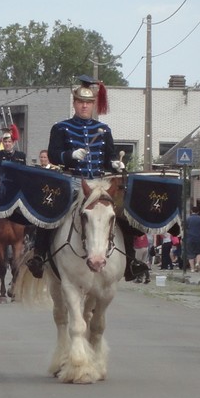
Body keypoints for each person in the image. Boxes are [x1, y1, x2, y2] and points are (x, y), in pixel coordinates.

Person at [26, 75, 147, 280]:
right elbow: (54, 155)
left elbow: (109, 157)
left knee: (122, 215)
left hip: (100, 182)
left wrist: (115, 164)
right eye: (81, 102)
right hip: (73, 181)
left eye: (88, 103)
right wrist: (70, 156)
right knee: (50, 211)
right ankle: (40, 255)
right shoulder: (61, 128)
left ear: (93, 105)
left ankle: (130, 260)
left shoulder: (104, 130)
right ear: (74, 103)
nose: (84, 106)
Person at [184, 206, 200, 272]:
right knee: (199, 252)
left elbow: (184, 229)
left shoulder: (188, 219)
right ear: (198, 211)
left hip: (189, 238)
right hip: (198, 238)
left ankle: (192, 268)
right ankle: (197, 263)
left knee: (190, 254)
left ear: (191, 211)